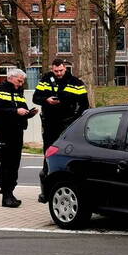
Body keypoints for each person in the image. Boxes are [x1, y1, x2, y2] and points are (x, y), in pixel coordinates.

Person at [32, 58, 90, 203]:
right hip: (50, 123)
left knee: (67, 153)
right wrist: (46, 100)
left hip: (67, 124)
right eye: (56, 71)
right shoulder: (45, 80)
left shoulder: (75, 82)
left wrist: (75, 119)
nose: (58, 73)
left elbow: (84, 104)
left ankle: (66, 186)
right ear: (52, 69)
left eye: (61, 70)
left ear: (65, 68)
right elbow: (35, 98)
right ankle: (45, 192)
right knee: (48, 153)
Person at [0, 68, 37, 208]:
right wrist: (15, 111)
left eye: (22, 82)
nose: (21, 84)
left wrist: (29, 113)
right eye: (19, 81)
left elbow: (22, 110)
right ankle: (6, 195)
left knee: (15, 164)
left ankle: (11, 192)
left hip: (17, 132)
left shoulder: (18, 92)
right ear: (10, 78)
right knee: (6, 164)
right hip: (4, 132)